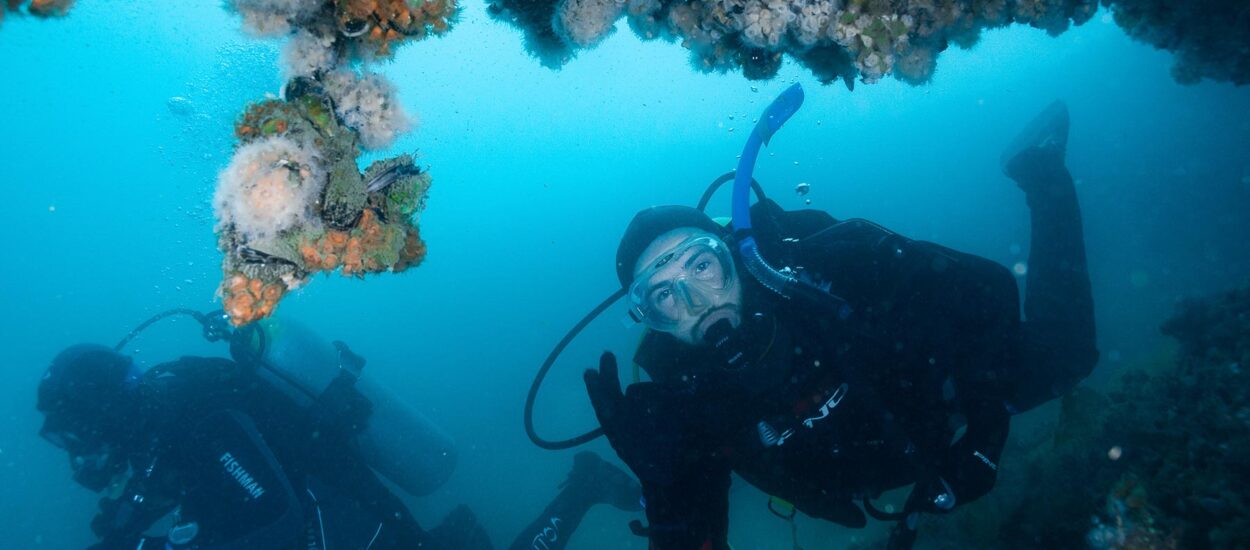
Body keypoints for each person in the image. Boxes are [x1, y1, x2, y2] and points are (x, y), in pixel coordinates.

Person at [583, 101, 1098, 549]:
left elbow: (987, 291)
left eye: (700, 266)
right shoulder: (682, 397)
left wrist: (986, 434)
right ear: (651, 320)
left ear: (735, 260)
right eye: (664, 296)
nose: (696, 301)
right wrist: (665, 490)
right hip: (867, 472)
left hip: (941, 400)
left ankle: (1041, 169)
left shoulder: (825, 266)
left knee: (1068, 354)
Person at [37, 340, 642, 549]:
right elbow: (178, 496)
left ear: (107, 410)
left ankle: (583, 487)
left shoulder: (201, 422)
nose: (78, 451)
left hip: (372, 539)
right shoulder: (166, 430)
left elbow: (273, 517)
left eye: (79, 431)